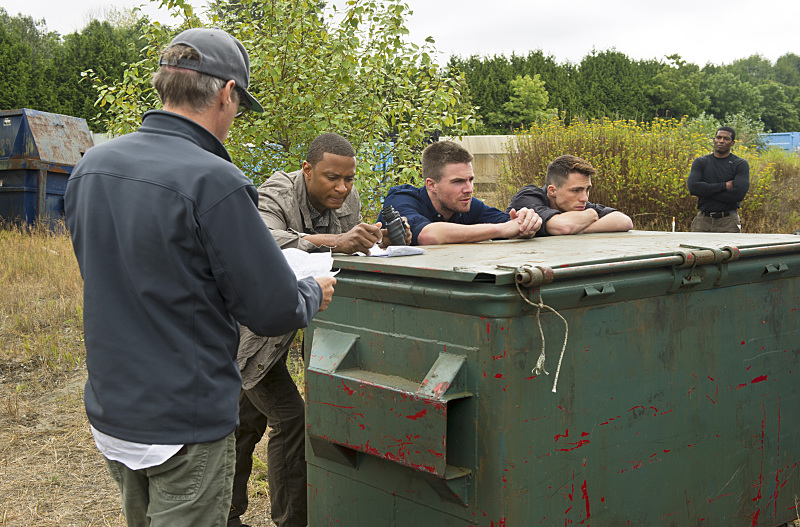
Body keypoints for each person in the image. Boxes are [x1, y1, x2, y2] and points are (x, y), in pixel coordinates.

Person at [64, 27, 335, 527]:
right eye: (238, 106)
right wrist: (311, 291)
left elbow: (120, 274)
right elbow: (272, 309)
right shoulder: (214, 180)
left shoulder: (91, 168)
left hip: (113, 409)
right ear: (228, 93)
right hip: (183, 422)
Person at [229, 132, 410, 527]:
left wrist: (380, 242)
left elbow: (352, 254)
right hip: (251, 333)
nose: (343, 189)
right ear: (308, 170)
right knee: (290, 418)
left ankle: (225, 514)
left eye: (349, 179)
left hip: (300, 322)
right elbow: (262, 242)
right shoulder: (276, 192)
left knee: (245, 422)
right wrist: (336, 242)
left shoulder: (349, 201)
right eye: (332, 178)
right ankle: (292, 521)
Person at [379, 140, 541, 245]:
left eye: (470, 179)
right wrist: (501, 230)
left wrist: (526, 223)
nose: (469, 189)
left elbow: (510, 224)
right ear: (431, 185)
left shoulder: (468, 205)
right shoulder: (401, 199)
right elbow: (428, 235)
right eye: (458, 181)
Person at [506, 154, 633, 235]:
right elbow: (564, 227)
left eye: (587, 189)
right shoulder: (528, 198)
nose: (585, 198)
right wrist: (591, 214)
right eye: (575, 190)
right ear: (552, 191)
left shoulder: (576, 204)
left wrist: (579, 228)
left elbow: (624, 221)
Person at [687, 126, 750, 233]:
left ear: (732, 143)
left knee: (728, 249)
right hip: (703, 220)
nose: (721, 141)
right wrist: (724, 186)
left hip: (728, 221)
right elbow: (693, 188)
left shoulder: (740, 164)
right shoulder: (701, 162)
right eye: (718, 137)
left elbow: (738, 195)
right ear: (714, 140)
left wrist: (705, 191)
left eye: (726, 139)